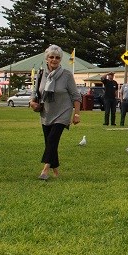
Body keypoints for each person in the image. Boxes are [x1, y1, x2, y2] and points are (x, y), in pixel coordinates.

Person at [29, 44, 81, 180]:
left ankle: (45, 170)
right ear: (47, 59)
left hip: (63, 112)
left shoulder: (66, 75)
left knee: (53, 139)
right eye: (51, 57)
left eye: (57, 57)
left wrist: (76, 114)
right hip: (46, 113)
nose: (54, 59)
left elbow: (76, 96)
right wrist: (32, 103)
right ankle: (56, 169)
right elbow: (35, 93)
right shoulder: (41, 74)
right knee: (49, 143)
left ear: (60, 60)